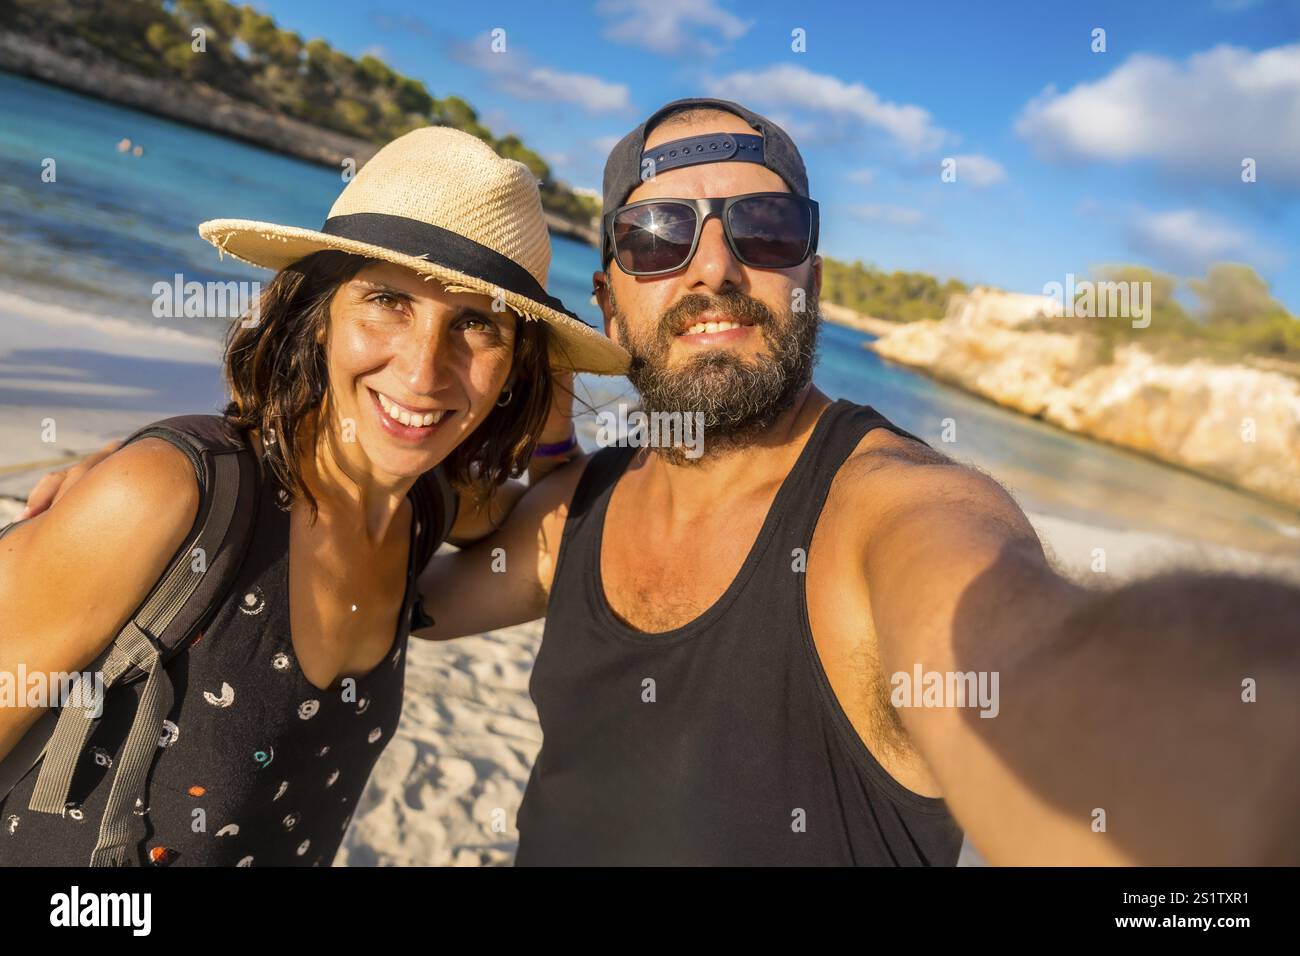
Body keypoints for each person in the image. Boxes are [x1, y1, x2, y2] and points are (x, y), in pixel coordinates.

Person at [414, 98, 1300, 866]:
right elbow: (403, 603)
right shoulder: (584, 504)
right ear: (608, 304)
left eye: (764, 228)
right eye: (658, 238)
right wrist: (533, 432)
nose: (715, 268)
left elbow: (1024, 654)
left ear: (814, 281)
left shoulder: (896, 514)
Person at [0, 124, 627, 866]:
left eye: (474, 323)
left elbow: (553, 509)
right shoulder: (171, 497)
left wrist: (551, 368)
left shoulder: (423, 512)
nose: (425, 372)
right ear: (317, 313)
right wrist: (122, 486)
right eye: (388, 301)